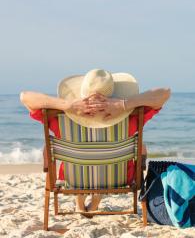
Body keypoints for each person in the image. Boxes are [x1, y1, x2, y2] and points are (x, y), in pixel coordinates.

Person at [20, 69, 171, 213]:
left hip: (73, 179)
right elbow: (165, 92)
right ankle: (96, 200)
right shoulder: (131, 116)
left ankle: (79, 204)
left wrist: (68, 105)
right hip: (118, 178)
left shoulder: (59, 117)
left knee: (66, 153)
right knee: (139, 148)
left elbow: (25, 96)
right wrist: (123, 104)